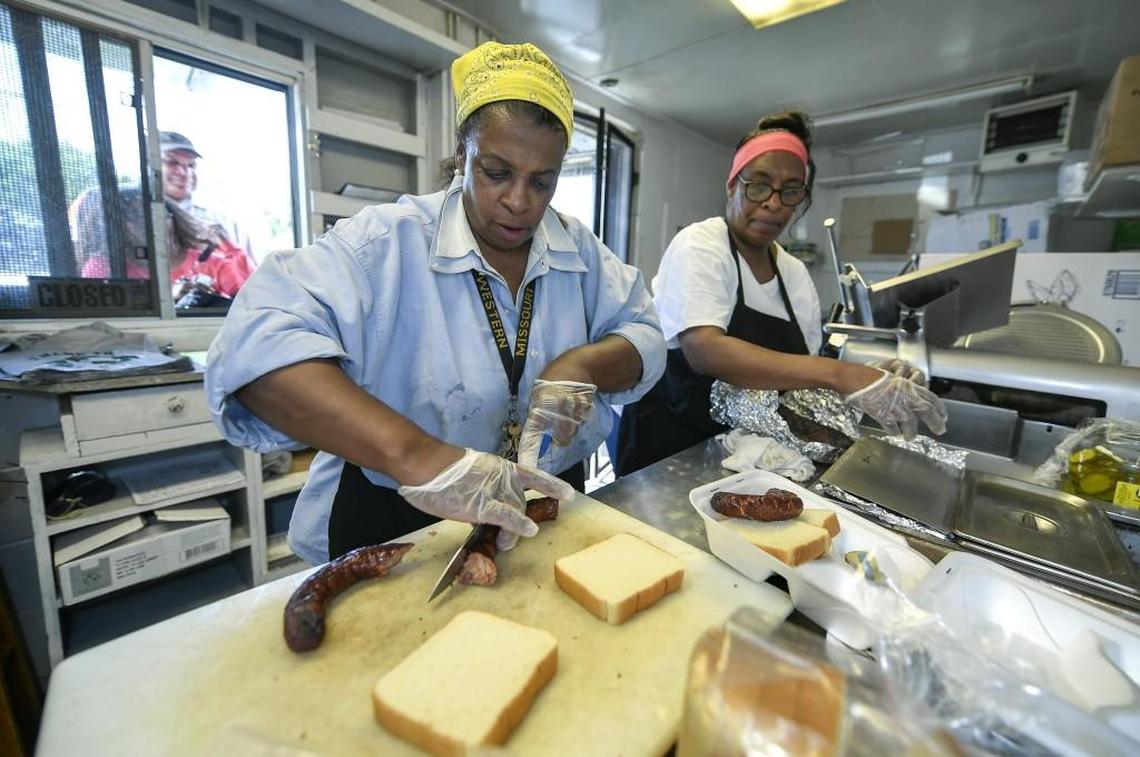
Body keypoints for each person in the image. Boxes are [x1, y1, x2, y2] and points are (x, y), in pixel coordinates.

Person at [205, 41, 665, 565]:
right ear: (462, 153)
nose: (519, 201)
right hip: (402, 511)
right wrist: (421, 457)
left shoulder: (577, 249)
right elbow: (253, 348)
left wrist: (582, 365)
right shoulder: (384, 245)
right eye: (496, 172)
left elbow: (646, 334)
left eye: (543, 182)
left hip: (546, 499)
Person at [614, 111, 946, 475]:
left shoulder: (794, 273)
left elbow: (798, 376)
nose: (773, 203)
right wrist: (841, 374)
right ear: (732, 185)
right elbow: (705, 351)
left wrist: (867, 377)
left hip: (753, 456)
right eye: (758, 185)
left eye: (790, 191)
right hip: (671, 449)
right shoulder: (702, 243)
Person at [159, 130, 255, 264]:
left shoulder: (223, 222)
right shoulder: (134, 223)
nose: (184, 172)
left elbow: (252, 278)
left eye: (191, 165)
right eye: (172, 162)